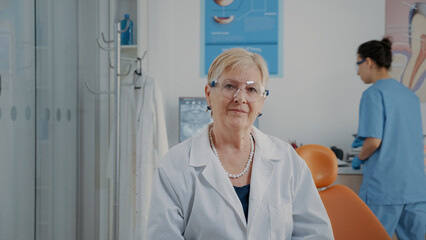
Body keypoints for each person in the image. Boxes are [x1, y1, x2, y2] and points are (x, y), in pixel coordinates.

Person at [146, 48, 333, 239]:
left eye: (251, 89)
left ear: (262, 101)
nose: (240, 98)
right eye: (229, 86)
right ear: (209, 94)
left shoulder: (288, 161)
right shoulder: (175, 165)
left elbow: (316, 234)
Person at [352, 37, 426, 239]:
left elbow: (374, 142)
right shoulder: (410, 96)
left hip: (385, 188)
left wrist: (360, 158)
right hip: (416, 188)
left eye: (358, 64)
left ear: (368, 62)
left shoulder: (373, 94)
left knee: (372, 236)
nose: (358, 71)